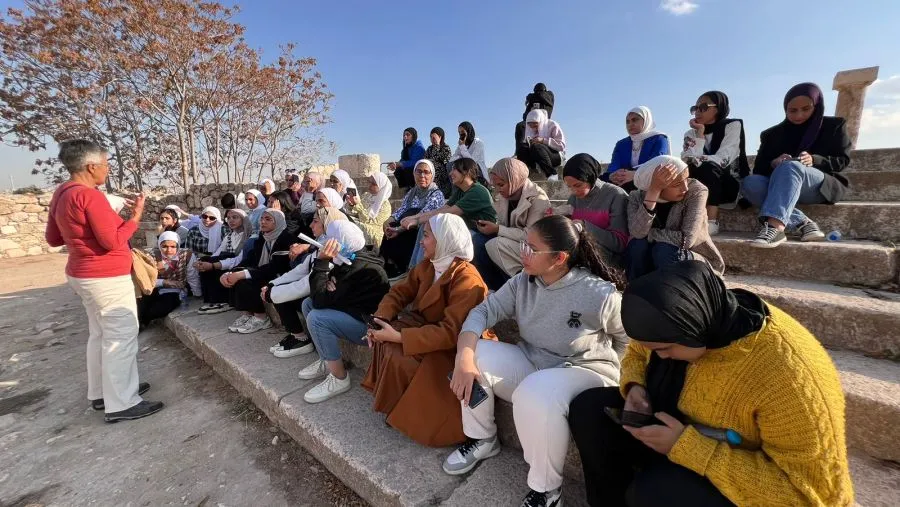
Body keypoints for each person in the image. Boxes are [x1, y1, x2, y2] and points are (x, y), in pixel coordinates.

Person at [568, 261, 854, 507]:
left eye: (664, 350)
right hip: (683, 431)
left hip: (739, 469)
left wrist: (689, 448)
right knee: (588, 410)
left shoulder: (787, 377)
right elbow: (639, 351)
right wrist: (635, 387)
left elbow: (809, 496)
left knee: (657, 491)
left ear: (693, 333)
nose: (659, 356)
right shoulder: (689, 313)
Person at [443, 215, 628, 507]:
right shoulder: (523, 283)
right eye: (523, 244)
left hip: (584, 371)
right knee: (477, 351)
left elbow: (628, 339)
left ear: (559, 258)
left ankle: (547, 490)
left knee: (536, 391)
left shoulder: (599, 294)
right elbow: (482, 313)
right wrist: (464, 358)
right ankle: (482, 438)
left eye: (531, 248)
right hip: (534, 362)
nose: (521, 253)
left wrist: (617, 371)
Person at [44, 139, 163, 422]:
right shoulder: (90, 196)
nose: (107, 170)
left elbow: (53, 238)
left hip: (81, 272)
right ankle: (122, 402)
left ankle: (102, 392)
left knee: (99, 334)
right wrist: (134, 217)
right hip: (106, 276)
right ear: (91, 166)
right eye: (106, 164)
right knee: (120, 337)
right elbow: (110, 241)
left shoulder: (62, 193)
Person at [362, 213, 488, 446]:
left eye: (427, 235)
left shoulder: (467, 279)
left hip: (457, 347)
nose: (422, 241)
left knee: (399, 353)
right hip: (427, 331)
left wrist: (400, 336)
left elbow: (451, 332)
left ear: (444, 240)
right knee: (386, 341)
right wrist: (379, 319)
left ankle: (416, 414)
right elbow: (399, 292)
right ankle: (396, 406)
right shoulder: (430, 265)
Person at [743, 82, 852, 248]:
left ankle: (776, 227)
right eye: (793, 110)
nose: (799, 115)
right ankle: (803, 222)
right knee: (750, 183)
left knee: (791, 167)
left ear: (816, 105)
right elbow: (759, 169)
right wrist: (774, 162)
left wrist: (814, 160)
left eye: (806, 109)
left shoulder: (834, 126)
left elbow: (842, 160)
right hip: (780, 185)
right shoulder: (771, 134)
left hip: (817, 185)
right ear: (785, 109)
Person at [297, 221, 391, 403]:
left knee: (317, 317)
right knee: (308, 304)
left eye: (330, 239)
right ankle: (327, 360)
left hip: (369, 328)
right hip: (352, 312)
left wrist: (323, 262)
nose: (325, 243)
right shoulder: (351, 259)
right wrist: (327, 285)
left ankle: (339, 378)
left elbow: (322, 297)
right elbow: (319, 295)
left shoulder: (360, 267)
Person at [263, 206, 348, 358]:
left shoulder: (335, 250)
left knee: (282, 295)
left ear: (329, 224)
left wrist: (272, 293)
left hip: (328, 299)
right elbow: (301, 270)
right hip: (315, 292)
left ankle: (303, 340)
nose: (310, 225)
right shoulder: (321, 245)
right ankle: (297, 335)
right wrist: (273, 284)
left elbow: (308, 283)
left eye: (315, 221)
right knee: (279, 290)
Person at [625, 155, 724, 281]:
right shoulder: (636, 197)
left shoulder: (696, 191)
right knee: (637, 246)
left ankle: (674, 295)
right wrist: (654, 192)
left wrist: (650, 235)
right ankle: (637, 291)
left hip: (691, 257)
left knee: (663, 250)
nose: (685, 188)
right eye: (677, 184)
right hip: (654, 259)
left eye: (686, 179)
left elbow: (686, 239)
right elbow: (637, 234)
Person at [472, 158, 551, 290]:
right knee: (478, 241)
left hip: (532, 247)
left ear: (515, 180)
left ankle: (515, 289)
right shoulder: (507, 195)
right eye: (495, 185)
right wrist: (493, 227)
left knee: (495, 245)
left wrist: (497, 229)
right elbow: (505, 223)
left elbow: (531, 236)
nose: (497, 190)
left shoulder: (538, 199)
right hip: (511, 241)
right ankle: (493, 287)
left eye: (501, 185)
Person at [681, 91, 751, 236]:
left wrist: (697, 159)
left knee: (707, 166)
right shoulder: (691, 133)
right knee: (685, 169)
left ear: (718, 108)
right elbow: (687, 159)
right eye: (695, 108)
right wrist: (700, 134)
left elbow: (724, 158)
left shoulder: (732, 126)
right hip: (699, 182)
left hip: (726, 185)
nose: (697, 112)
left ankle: (712, 221)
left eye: (703, 107)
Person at [219, 209, 294, 334]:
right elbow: (250, 259)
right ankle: (247, 313)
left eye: (268, 219)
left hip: (281, 276)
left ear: (278, 222)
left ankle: (261, 318)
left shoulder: (287, 239)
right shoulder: (262, 237)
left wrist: (243, 274)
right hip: (266, 272)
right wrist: (231, 272)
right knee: (237, 277)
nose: (263, 222)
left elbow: (277, 267)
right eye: (261, 219)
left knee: (247, 281)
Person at [557, 153, 629, 265]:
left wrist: (584, 226)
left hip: (605, 259)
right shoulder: (574, 198)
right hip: (578, 253)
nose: (573, 191)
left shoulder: (616, 195)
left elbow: (619, 243)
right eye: (569, 186)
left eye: (578, 185)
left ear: (590, 178)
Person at [379, 160, 446, 278]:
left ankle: (404, 268)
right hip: (406, 225)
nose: (422, 176)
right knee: (391, 225)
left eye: (426, 172)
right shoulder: (412, 192)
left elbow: (422, 215)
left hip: (421, 229)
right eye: (418, 172)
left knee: (405, 230)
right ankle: (389, 264)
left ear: (432, 175)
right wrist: (389, 219)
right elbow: (403, 209)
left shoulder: (436, 194)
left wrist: (399, 229)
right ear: (414, 174)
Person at [412, 158, 497, 232]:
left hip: (484, 235)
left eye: (454, 169)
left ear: (466, 172)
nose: (450, 173)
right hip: (471, 230)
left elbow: (448, 213)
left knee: (435, 230)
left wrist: (416, 221)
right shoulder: (461, 190)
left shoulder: (477, 191)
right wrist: (415, 217)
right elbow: (443, 209)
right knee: (428, 226)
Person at [602, 106, 671, 192]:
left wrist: (635, 174)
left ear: (646, 120)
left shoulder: (659, 139)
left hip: (649, 183)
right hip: (623, 184)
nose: (630, 124)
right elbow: (614, 165)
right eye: (627, 122)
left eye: (635, 120)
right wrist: (612, 175)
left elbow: (657, 163)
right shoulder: (621, 144)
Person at [196, 208, 252, 314]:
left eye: (235, 217)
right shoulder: (230, 236)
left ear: (243, 220)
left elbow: (239, 259)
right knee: (206, 259)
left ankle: (223, 300)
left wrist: (214, 265)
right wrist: (202, 262)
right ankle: (212, 299)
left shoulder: (249, 237)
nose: (231, 221)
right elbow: (218, 252)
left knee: (216, 264)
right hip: (231, 263)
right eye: (229, 218)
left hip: (242, 265)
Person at [138, 231, 191, 328]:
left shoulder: (186, 255)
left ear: (178, 245)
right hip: (154, 287)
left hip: (174, 290)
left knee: (161, 308)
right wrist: (164, 282)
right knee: (142, 301)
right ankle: (138, 323)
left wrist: (197, 293)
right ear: (159, 245)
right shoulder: (151, 256)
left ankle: (143, 320)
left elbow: (193, 275)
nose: (168, 250)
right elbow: (145, 279)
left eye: (173, 247)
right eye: (164, 246)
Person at [344, 172, 393, 249]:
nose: (369, 185)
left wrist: (358, 206)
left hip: (373, 234)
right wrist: (351, 204)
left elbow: (371, 223)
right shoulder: (366, 195)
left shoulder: (385, 205)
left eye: (373, 184)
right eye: (369, 182)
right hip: (361, 226)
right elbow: (356, 214)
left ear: (381, 185)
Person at [183, 206, 224, 297]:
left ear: (217, 218)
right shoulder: (194, 231)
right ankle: (198, 292)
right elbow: (189, 250)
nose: (207, 219)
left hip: (217, 259)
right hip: (197, 259)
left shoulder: (223, 229)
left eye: (212, 218)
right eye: (204, 216)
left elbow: (226, 249)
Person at [517, 109, 567, 181]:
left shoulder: (552, 125)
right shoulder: (529, 130)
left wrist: (543, 140)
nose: (533, 128)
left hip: (555, 156)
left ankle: (551, 173)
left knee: (537, 146)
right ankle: (525, 174)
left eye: (535, 125)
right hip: (538, 155)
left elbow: (561, 145)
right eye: (531, 126)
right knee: (522, 148)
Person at [514, 83, 556, 163]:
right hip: (532, 122)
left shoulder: (549, 95)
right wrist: (531, 108)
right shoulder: (532, 101)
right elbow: (525, 116)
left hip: (543, 121)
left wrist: (530, 97)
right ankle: (518, 152)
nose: (537, 93)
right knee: (520, 125)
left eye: (538, 92)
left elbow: (542, 96)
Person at [425, 127, 454, 197]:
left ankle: (437, 190)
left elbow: (445, 161)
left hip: (442, 174)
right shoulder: (429, 149)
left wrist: (437, 146)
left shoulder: (446, 148)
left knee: (435, 165)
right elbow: (425, 160)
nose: (432, 140)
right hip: (431, 171)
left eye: (434, 138)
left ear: (440, 137)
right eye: (430, 137)